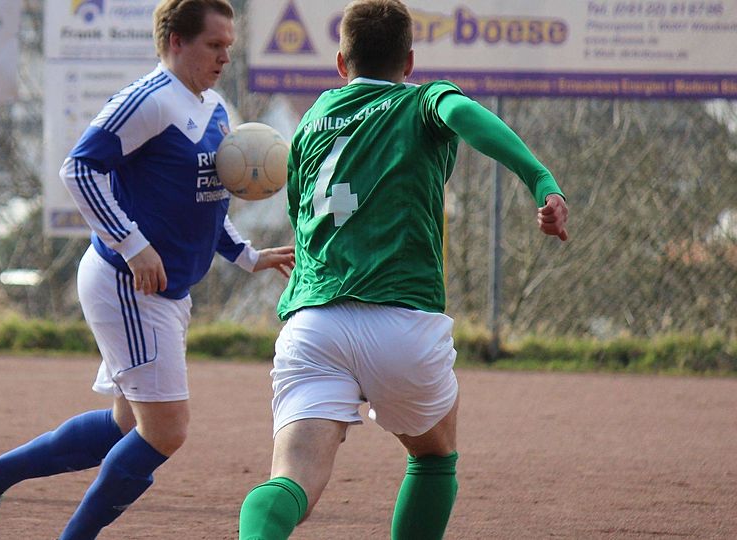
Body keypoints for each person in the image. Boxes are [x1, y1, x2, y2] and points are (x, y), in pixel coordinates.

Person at [0, 1, 294, 538]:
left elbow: (202, 203)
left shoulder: (215, 106)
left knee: (126, 425)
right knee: (166, 431)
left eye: (230, 45)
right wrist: (132, 245)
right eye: (215, 44)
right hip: (128, 285)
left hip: (165, 288)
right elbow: (79, 168)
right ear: (176, 42)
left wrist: (246, 255)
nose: (226, 55)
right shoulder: (148, 100)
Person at [236, 1, 570, 539]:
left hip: (314, 323)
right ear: (410, 62)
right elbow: (465, 117)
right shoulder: (423, 101)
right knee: (434, 455)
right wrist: (541, 181)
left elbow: (303, 216)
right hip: (401, 319)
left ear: (341, 63)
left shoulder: (313, 120)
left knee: (291, 479)